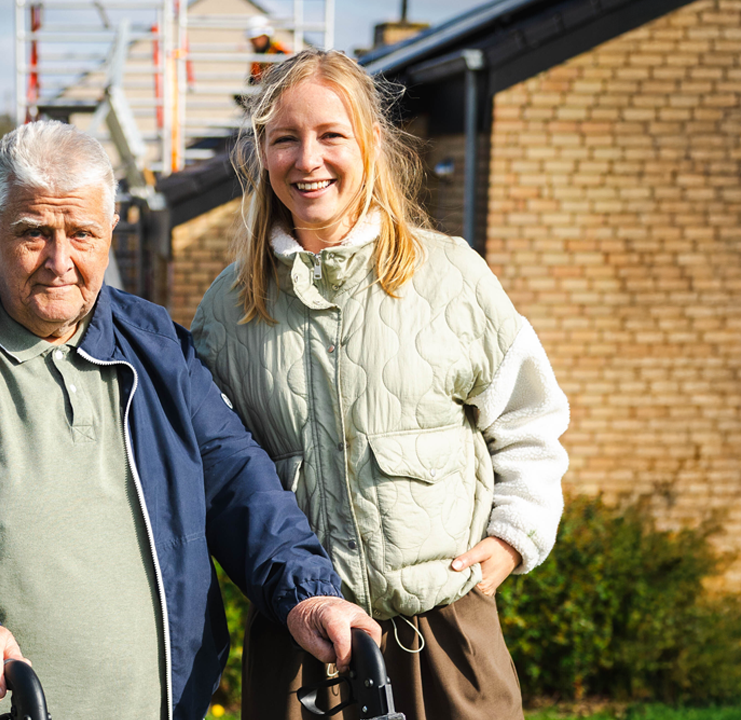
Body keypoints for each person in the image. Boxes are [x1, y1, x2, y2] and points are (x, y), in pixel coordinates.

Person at [0, 120, 378, 720]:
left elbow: (238, 483)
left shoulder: (158, 348)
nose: (59, 262)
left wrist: (310, 595)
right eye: (34, 233)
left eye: (83, 233)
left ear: (111, 232)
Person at [191, 49, 570, 720]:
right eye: (285, 139)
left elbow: (529, 422)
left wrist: (514, 536)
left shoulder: (452, 276)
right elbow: (216, 482)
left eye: (331, 135)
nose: (308, 160)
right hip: (301, 649)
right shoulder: (228, 311)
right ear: (262, 153)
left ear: (370, 144)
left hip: (447, 638)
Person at [246, 15, 288, 85]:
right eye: (252, 39)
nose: (254, 42)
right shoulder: (257, 58)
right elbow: (252, 82)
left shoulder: (278, 52)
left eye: (257, 38)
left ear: (266, 36)